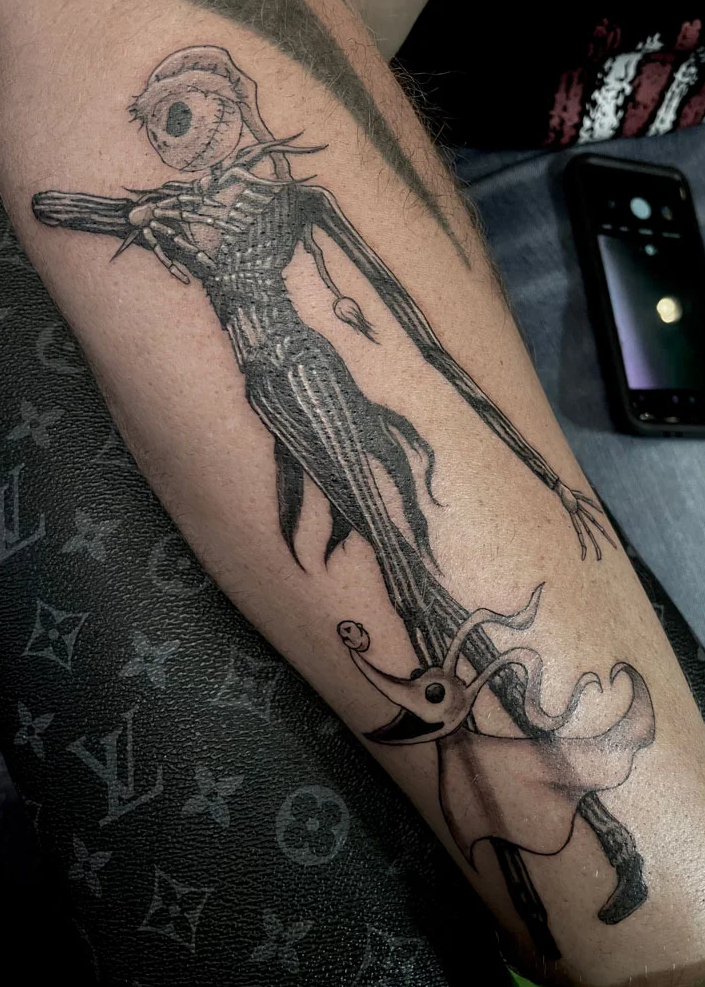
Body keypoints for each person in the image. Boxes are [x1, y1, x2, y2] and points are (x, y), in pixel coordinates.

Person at [0, 2, 704, 985]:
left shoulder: (281, 202)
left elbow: (410, 326)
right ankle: (592, 846)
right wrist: (135, 213)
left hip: (314, 377)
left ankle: (595, 843)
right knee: (414, 599)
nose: (174, 138)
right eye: (167, 122)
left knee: (424, 589)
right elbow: (74, 177)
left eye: (187, 116)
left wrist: (528, 464)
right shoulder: (194, 211)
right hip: (301, 369)